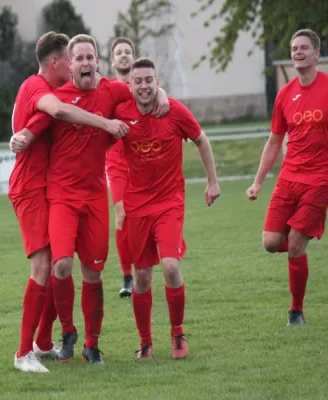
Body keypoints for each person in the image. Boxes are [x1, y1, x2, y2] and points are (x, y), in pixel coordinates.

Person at [12, 34, 169, 365]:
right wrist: (24, 135)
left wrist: (162, 93)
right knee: (58, 264)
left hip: (96, 194)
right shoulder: (57, 95)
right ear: (69, 64)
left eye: (89, 57)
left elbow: (141, 91)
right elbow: (41, 121)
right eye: (78, 57)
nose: (84, 62)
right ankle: (65, 332)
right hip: (60, 193)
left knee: (93, 272)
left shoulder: (111, 90)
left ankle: (91, 344)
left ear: (98, 61)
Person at [114, 57, 220, 359]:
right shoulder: (121, 113)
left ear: (157, 82)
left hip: (169, 203)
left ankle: (177, 335)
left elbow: (201, 140)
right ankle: (145, 342)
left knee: (171, 267)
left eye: (150, 80)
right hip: (137, 207)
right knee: (143, 276)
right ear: (130, 85)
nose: (144, 85)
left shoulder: (173, 111)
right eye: (139, 81)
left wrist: (212, 182)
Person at [246, 29, 328, 326]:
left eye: (304, 48)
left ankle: (296, 311)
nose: (297, 52)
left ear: (316, 54)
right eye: (294, 48)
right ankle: (299, 250)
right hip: (289, 177)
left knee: (295, 241)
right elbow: (274, 140)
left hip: (322, 177)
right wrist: (258, 181)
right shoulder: (285, 94)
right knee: (271, 242)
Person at [107, 37, 138, 298]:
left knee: (141, 218)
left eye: (127, 52)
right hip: (116, 162)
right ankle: (127, 276)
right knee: (122, 214)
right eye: (119, 52)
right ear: (112, 60)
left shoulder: (145, 86)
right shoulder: (106, 90)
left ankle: (142, 269)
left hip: (142, 161)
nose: (124, 56)